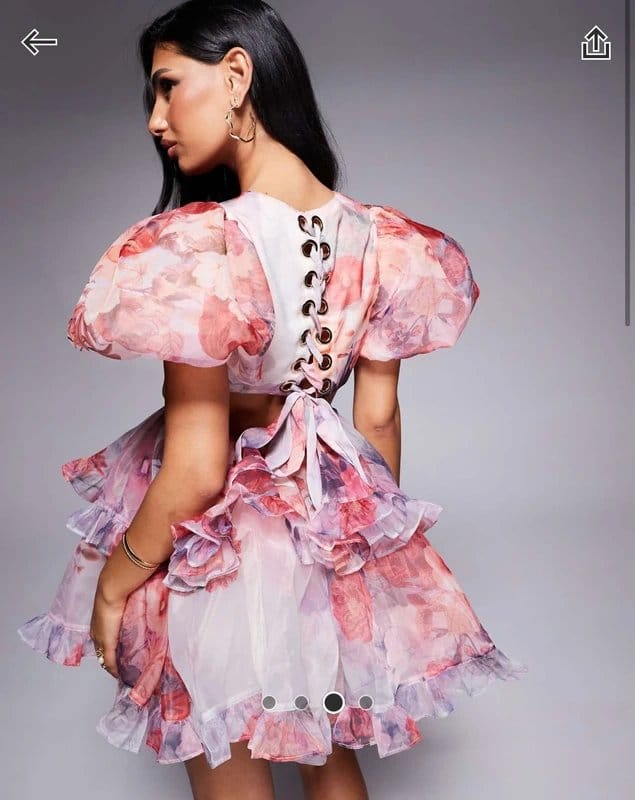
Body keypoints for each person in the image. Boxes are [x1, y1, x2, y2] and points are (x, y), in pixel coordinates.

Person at [17, 1, 528, 799]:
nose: (155, 119)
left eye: (167, 86)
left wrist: (114, 586)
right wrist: (352, 567)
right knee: (328, 757)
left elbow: (196, 467)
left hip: (216, 545)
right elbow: (375, 425)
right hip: (320, 535)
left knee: (225, 746)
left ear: (236, 75)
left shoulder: (201, 247)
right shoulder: (387, 243)